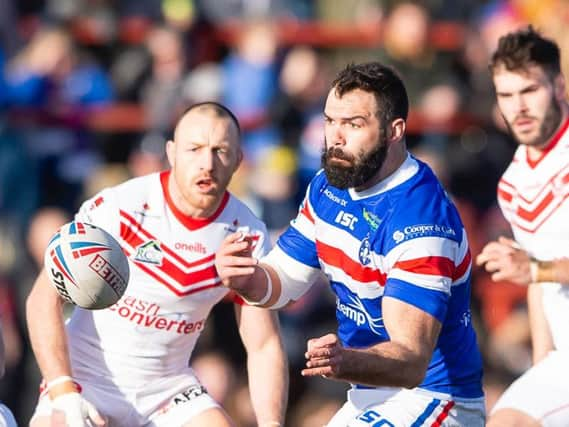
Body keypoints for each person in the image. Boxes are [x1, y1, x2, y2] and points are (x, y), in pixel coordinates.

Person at [216, 62, 485, 426]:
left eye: (353, 124)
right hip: (369, 394)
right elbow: (283, 279)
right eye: (330, 121)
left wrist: (346, 360)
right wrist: (246, 277)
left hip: (435, 399)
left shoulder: (420, 220)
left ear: (394, 131)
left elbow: (411, 362)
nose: (335, 137)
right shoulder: (328, 187)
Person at [26, 102, 288, 427]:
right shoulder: (120, 207)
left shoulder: (247, 234)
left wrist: (271, 424)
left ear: (238, 160)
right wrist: (63, 390)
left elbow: (263, 344)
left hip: (168, 391)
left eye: (220, 150)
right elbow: (41, 300)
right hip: (87, 379)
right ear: (172, 152)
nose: (207, 163)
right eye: (195, 149)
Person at [476, 26, 569, 426]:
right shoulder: (513, 184)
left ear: (559, 86)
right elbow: (538, 287)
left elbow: (536, 270)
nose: (519, 108)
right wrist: (541, 364)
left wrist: (534, 269)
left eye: (530, 91)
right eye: (507, 95)